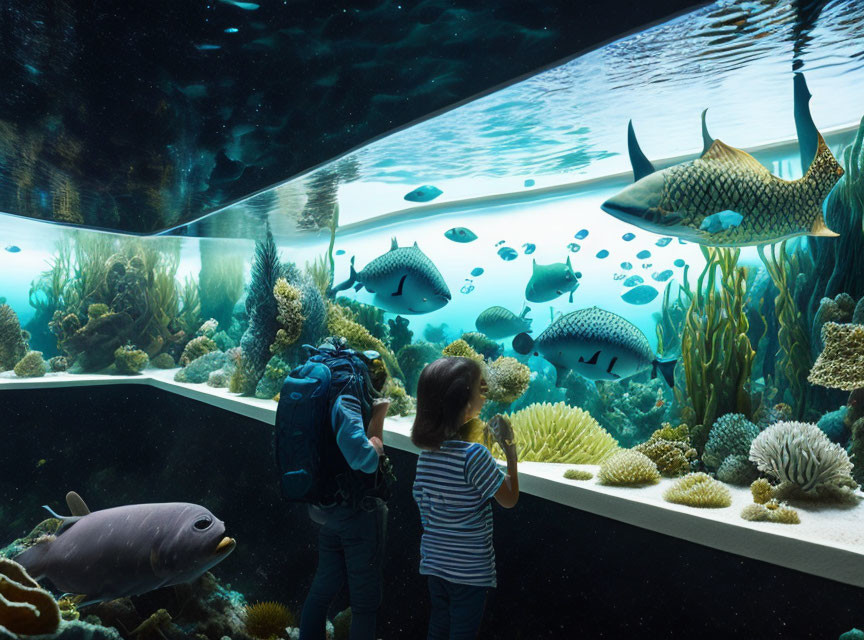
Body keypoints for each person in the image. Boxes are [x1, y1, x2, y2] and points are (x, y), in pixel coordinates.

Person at [410, 356, 520, 640]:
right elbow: (508, 499)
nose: (484, 394)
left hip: (435, 563)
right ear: (464, 402)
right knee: (462, 632)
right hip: (469, 571)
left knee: (438, 626)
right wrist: (510, 452)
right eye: (479, 389)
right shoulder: (474, 456)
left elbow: (424, 507)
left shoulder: (426, 454)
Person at [298, 338, 393, 640]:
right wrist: (377, 422)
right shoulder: (346, 392)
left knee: (322, 588)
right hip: (353, 511)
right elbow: (362, 459)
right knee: (364, 603)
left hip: (322, 506)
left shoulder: (316, 386)